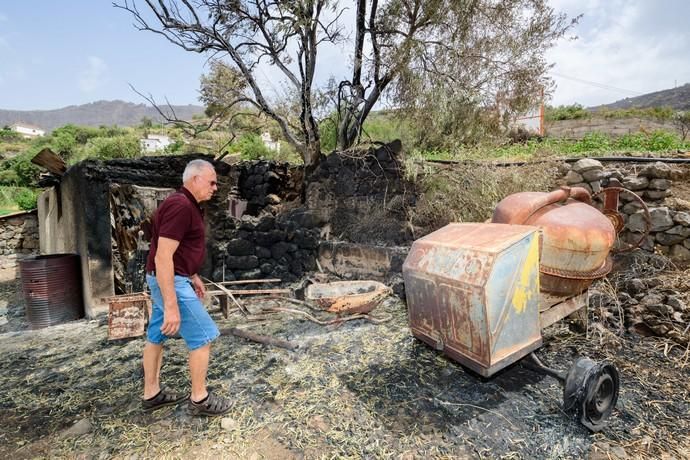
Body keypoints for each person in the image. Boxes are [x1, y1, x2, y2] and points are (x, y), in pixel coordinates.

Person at [141, 159, 231, 416]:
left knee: (156, 335)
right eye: (212, 182)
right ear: (195, 179)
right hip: (169, 280)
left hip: (173, 277)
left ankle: (151, 394)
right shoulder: (181, 206)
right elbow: (162, 257)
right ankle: (200, 399)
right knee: (204, 336)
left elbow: (176, 248)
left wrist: (193, 274)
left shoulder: (185, 204)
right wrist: (171, 305)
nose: (215, 188)